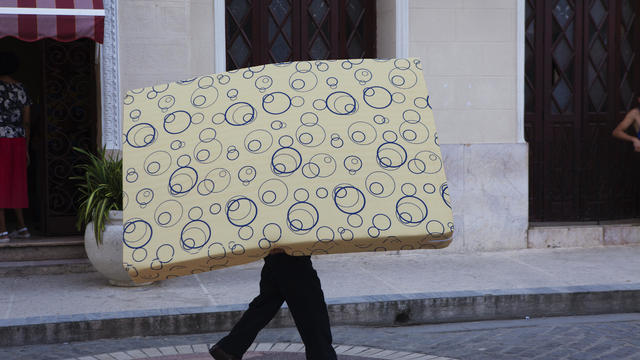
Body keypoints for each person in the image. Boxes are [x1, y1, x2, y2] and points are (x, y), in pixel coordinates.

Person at [209, 248, 337, 360]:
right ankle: (323, 357)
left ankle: (229, 348)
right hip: (287, 247)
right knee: (311, 307)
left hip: (283, 245)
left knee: (268, 301)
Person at [0, 52, 32, 243]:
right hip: (18, 139)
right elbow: (27, 122)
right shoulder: (21, 88)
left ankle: (2, 231)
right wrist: (26, 147)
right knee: (17, 182)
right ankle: (22, 227)